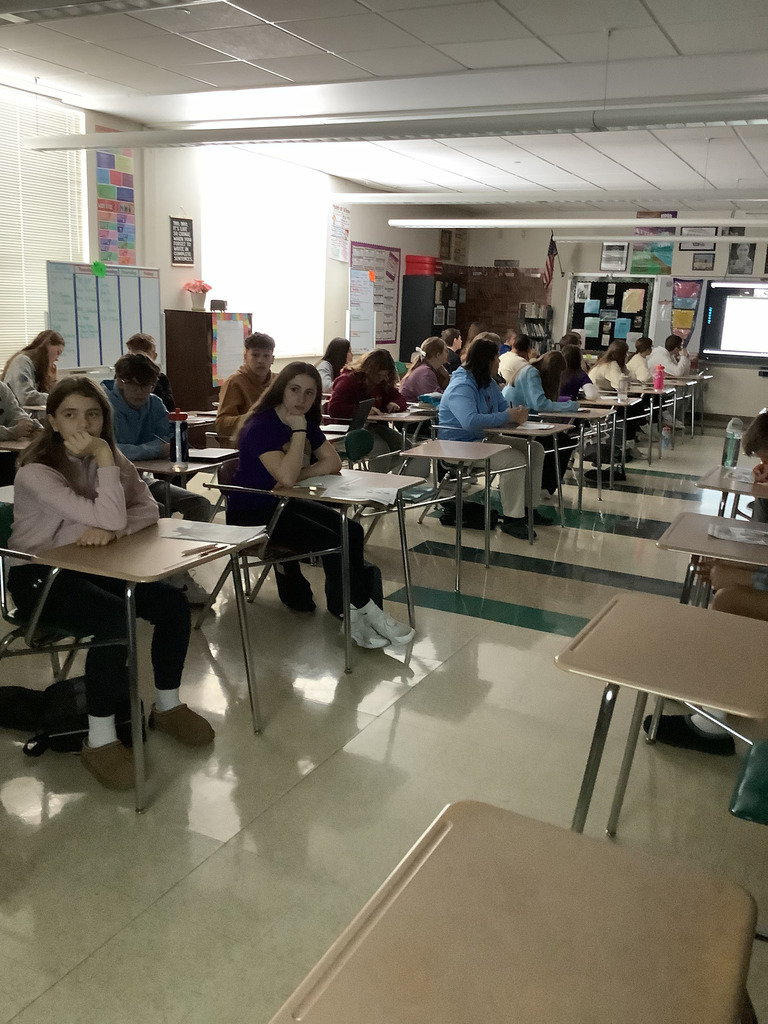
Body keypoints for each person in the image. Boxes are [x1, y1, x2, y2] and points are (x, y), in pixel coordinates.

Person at [6, 377, 214, 791]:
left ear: (104, 418)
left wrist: (111, 530)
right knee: (114, 620)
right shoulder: (35, 472)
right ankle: (99, 740)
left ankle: (168, 706)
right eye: (69, 414)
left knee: (171, 604)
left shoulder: (111, 457)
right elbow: (115, 516)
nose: (82, 424)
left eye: (93, 414)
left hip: (97, 564)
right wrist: (104, 465)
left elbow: (149, 509)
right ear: (51, 420)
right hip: (38, 576)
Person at [229, 362, 415, 649]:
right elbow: (288, 476)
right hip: (252, 514)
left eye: (309, 393)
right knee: (333, 537)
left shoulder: (303, 420)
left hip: (283, 503)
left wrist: (296, 473)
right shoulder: (261, 426)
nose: (301, 400)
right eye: (294, 390)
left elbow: (333, 463)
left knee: (351, 530)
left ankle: (347, 609)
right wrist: (299, 434)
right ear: (281, 390)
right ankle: (368, 612)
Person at [104, 354, 212, 603]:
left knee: (200, 504)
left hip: (143, 480)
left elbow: (169, 440)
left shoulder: (154, 403)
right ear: (120, 381)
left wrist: (151, 448)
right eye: (137, 384)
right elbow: (112, 449)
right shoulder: (105, 405)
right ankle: (160, 581)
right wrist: (152, 449)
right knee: (158, 509)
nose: (143, 391)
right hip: (111, 485)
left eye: (149, 385)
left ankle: (181, 570)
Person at [438, 336, 545, 540]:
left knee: (535, 449)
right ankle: (513, 519)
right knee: (514, 459)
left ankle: (528, 508)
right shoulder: (461, 385)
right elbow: (469, 421)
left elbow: (502, 408)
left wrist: (516, 415)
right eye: (496, 358)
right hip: (458, 446)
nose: (499, 362)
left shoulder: (487, 383)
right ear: (486, 361)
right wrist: (507, 417)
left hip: (481, 440)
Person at [503, 350, 578, 497]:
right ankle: (545, 486)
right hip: (512, 424)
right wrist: (571, 406)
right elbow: (540, 404)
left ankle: (544, 485)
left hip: (519, 421)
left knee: (558, 440)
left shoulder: (529, 369)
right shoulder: (531, 373)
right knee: (562, 442)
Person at [327, 348, 407, 467]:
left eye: (386, 375)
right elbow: (333, 408)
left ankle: (387, 477)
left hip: (375, 427)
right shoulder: (348, 381)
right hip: (350, 429)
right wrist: (362, 411)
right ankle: (377, 482)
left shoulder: (381, 382)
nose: (383, 378)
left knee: (405, 447)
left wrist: (396, 404)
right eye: (380, 375)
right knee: (382, 450)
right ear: (370, 371)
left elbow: (400, 398)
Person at [215, 332, 276, 444]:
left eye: (266, 356)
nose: (260, 361)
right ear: (245, 357)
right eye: (255, 355)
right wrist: (254, 418)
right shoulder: (234, 383)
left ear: (272, 359)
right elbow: (221, 424)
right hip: (245, 445)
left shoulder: (278, 381)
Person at [2, 330, 64, 410]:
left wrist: (52, 381)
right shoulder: (22, 361)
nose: (57, 359)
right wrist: (56, 398)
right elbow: (26, 397)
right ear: (47, 345)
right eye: (58, 352)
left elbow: (42, 394)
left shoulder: (36, 366)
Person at [0, 380, 40, 485]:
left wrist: (32, 426)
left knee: (29, 460)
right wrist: (12, 432)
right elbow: (15, 431)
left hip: (5, 456)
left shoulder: (2, 389)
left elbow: (17, 414)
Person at [125, 332, 175, 412]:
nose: (140, 360)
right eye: (136, 355)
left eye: (145, 356)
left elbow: (169, 406)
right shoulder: (123, 377)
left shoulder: (161, 378)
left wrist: (153, 380)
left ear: (154, 357)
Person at [399, 337, 449, 402]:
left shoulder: (428, 369)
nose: (448, 354)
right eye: (446, 351)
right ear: (438, 355)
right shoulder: (425, 372)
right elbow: (434, 397)